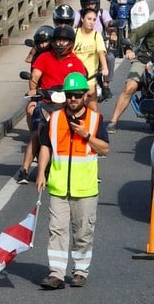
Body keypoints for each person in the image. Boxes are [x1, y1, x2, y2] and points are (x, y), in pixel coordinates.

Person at [37, 72, 109, 290]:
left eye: (77, 95)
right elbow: (45, 147)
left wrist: (87, 135)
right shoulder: (55, 119)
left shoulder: (95, 120)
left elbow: (105, 148)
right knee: (57, 230)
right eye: (69, 95)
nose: (73, 99)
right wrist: (41, 173)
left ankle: (80, 271)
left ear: (85, 97)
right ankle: (56, 273)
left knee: (82, 232)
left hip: (85, 188)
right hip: (58, 186)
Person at [17, 25, 88, 184]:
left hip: (66, 105)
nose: (61, 43)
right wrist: (33, 93)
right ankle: (25, 169)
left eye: (64, 40)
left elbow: (81, 82)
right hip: (46, 102)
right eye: (58, 40)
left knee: (80, 130)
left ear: (71, 42)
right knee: (37, 131)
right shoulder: (44, 57)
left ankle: (84, 168)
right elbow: (35, 76)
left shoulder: (76, 62)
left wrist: (79, 96)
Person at [106, 5, 154, 133]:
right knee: (129, 87)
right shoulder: (153, 25)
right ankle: (113, 121)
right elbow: (136, 34)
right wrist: (129, 48)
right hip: (145, 60)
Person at [73, 0, 115, 101]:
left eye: (92, 4)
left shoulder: (103, 13)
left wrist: (112, 33)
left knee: (109, 57)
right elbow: (72, 25)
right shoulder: (78, 14)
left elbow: (108, 24)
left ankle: (106, 85)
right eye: (87, 5)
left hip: (99, 43)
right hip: (82, 46)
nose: (90, 7)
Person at [73, 8, 109, 113]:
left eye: (94, 20)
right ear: (82, 19)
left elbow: (101, 53)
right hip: (74, 77)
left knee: (92, 108)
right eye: (89, 19)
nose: (92, 22)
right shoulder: (74, 34)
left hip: (89, 79)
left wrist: (105, 68)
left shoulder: (96, 35)